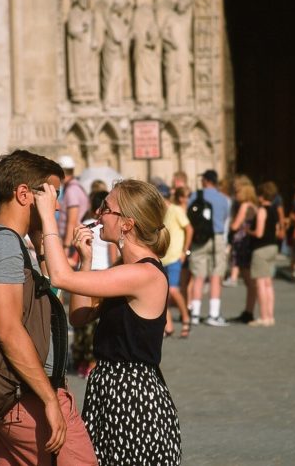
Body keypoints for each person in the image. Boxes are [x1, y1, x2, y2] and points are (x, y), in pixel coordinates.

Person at [36, 178, 182, 464]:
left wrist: (48, 219)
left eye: (105, 207)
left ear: (127, 223)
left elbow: (60, 278)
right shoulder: (125, 270)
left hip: (133, 398)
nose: (98, 214)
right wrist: (85, 260)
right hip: (111, 390)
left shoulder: (144, 274)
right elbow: (79, 317)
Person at [0, 150, 97, 465]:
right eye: (51, 195)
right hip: (26, 395)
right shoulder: (3, 247)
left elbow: (43, 309)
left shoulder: (15, 244)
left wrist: (43, 244)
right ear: (24, 194)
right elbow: (9, 331)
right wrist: (49, 400)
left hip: (20, 394)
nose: (56, 206)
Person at [72, 190, 118, 378]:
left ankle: (84, 360)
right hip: (101, 275)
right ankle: (89, 361)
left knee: (85, 322)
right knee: (91, 321)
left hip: (94, 275)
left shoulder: (90, 227)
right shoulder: (100, 228)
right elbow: (113, 255)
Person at [188, 169, 231, 326]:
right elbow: (225, 218)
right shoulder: (223, 199)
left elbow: (189, 215)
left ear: (205, 180)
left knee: (198, 276)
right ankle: (213, 314)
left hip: (199, 238)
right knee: (215, 276)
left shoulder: (195, 195)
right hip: (217, 237)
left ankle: (195, 313)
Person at [158, 183, 192, 338]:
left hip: (175, 257)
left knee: (173, 290)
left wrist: (185, 251)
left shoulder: (176, 210)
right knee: (161, 293)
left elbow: (189, 229)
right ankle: (168, 326)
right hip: (162, 258)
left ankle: (186, 318)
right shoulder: (158, 213)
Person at [247, 182, 280, 326]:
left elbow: (259, 233)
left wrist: (248, 231)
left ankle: (263, 317)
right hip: (273, 247)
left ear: (261, 196)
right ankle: (270, 316)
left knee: (260, 283)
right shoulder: (274, 210)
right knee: (268, 283)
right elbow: (277, 230)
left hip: (261, 249)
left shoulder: (262, 210)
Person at [226, 181, 257, 323]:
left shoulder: (244, 206)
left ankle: (248, 311)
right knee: (249, 280)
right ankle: (248, 310)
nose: (236, 195)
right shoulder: (254, 206)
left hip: (242, 244)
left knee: (248, 279)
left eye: (238, 192)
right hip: (248, 243)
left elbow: (235, 225)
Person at [56, 155, 90, 252]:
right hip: (73, 239)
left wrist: (66, 246)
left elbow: (72, 221)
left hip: (71, 242)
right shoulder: (73, 187)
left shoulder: (72, 190)